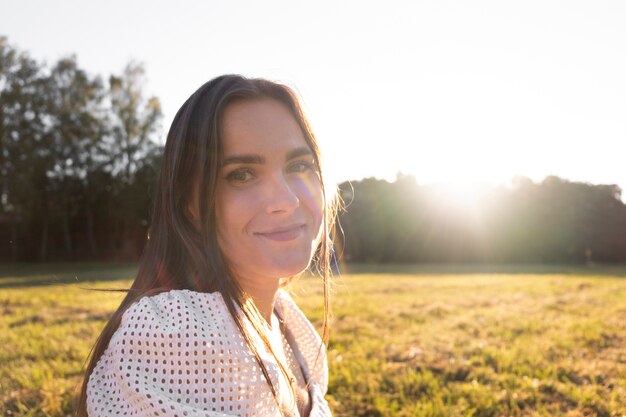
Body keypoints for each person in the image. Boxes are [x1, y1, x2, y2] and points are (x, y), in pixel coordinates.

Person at [76, 75, 338, 417]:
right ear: (190, 204)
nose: (286, 201)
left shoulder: (290, 324)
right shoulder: (170, 333)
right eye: (241, 174)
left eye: (300, 165)